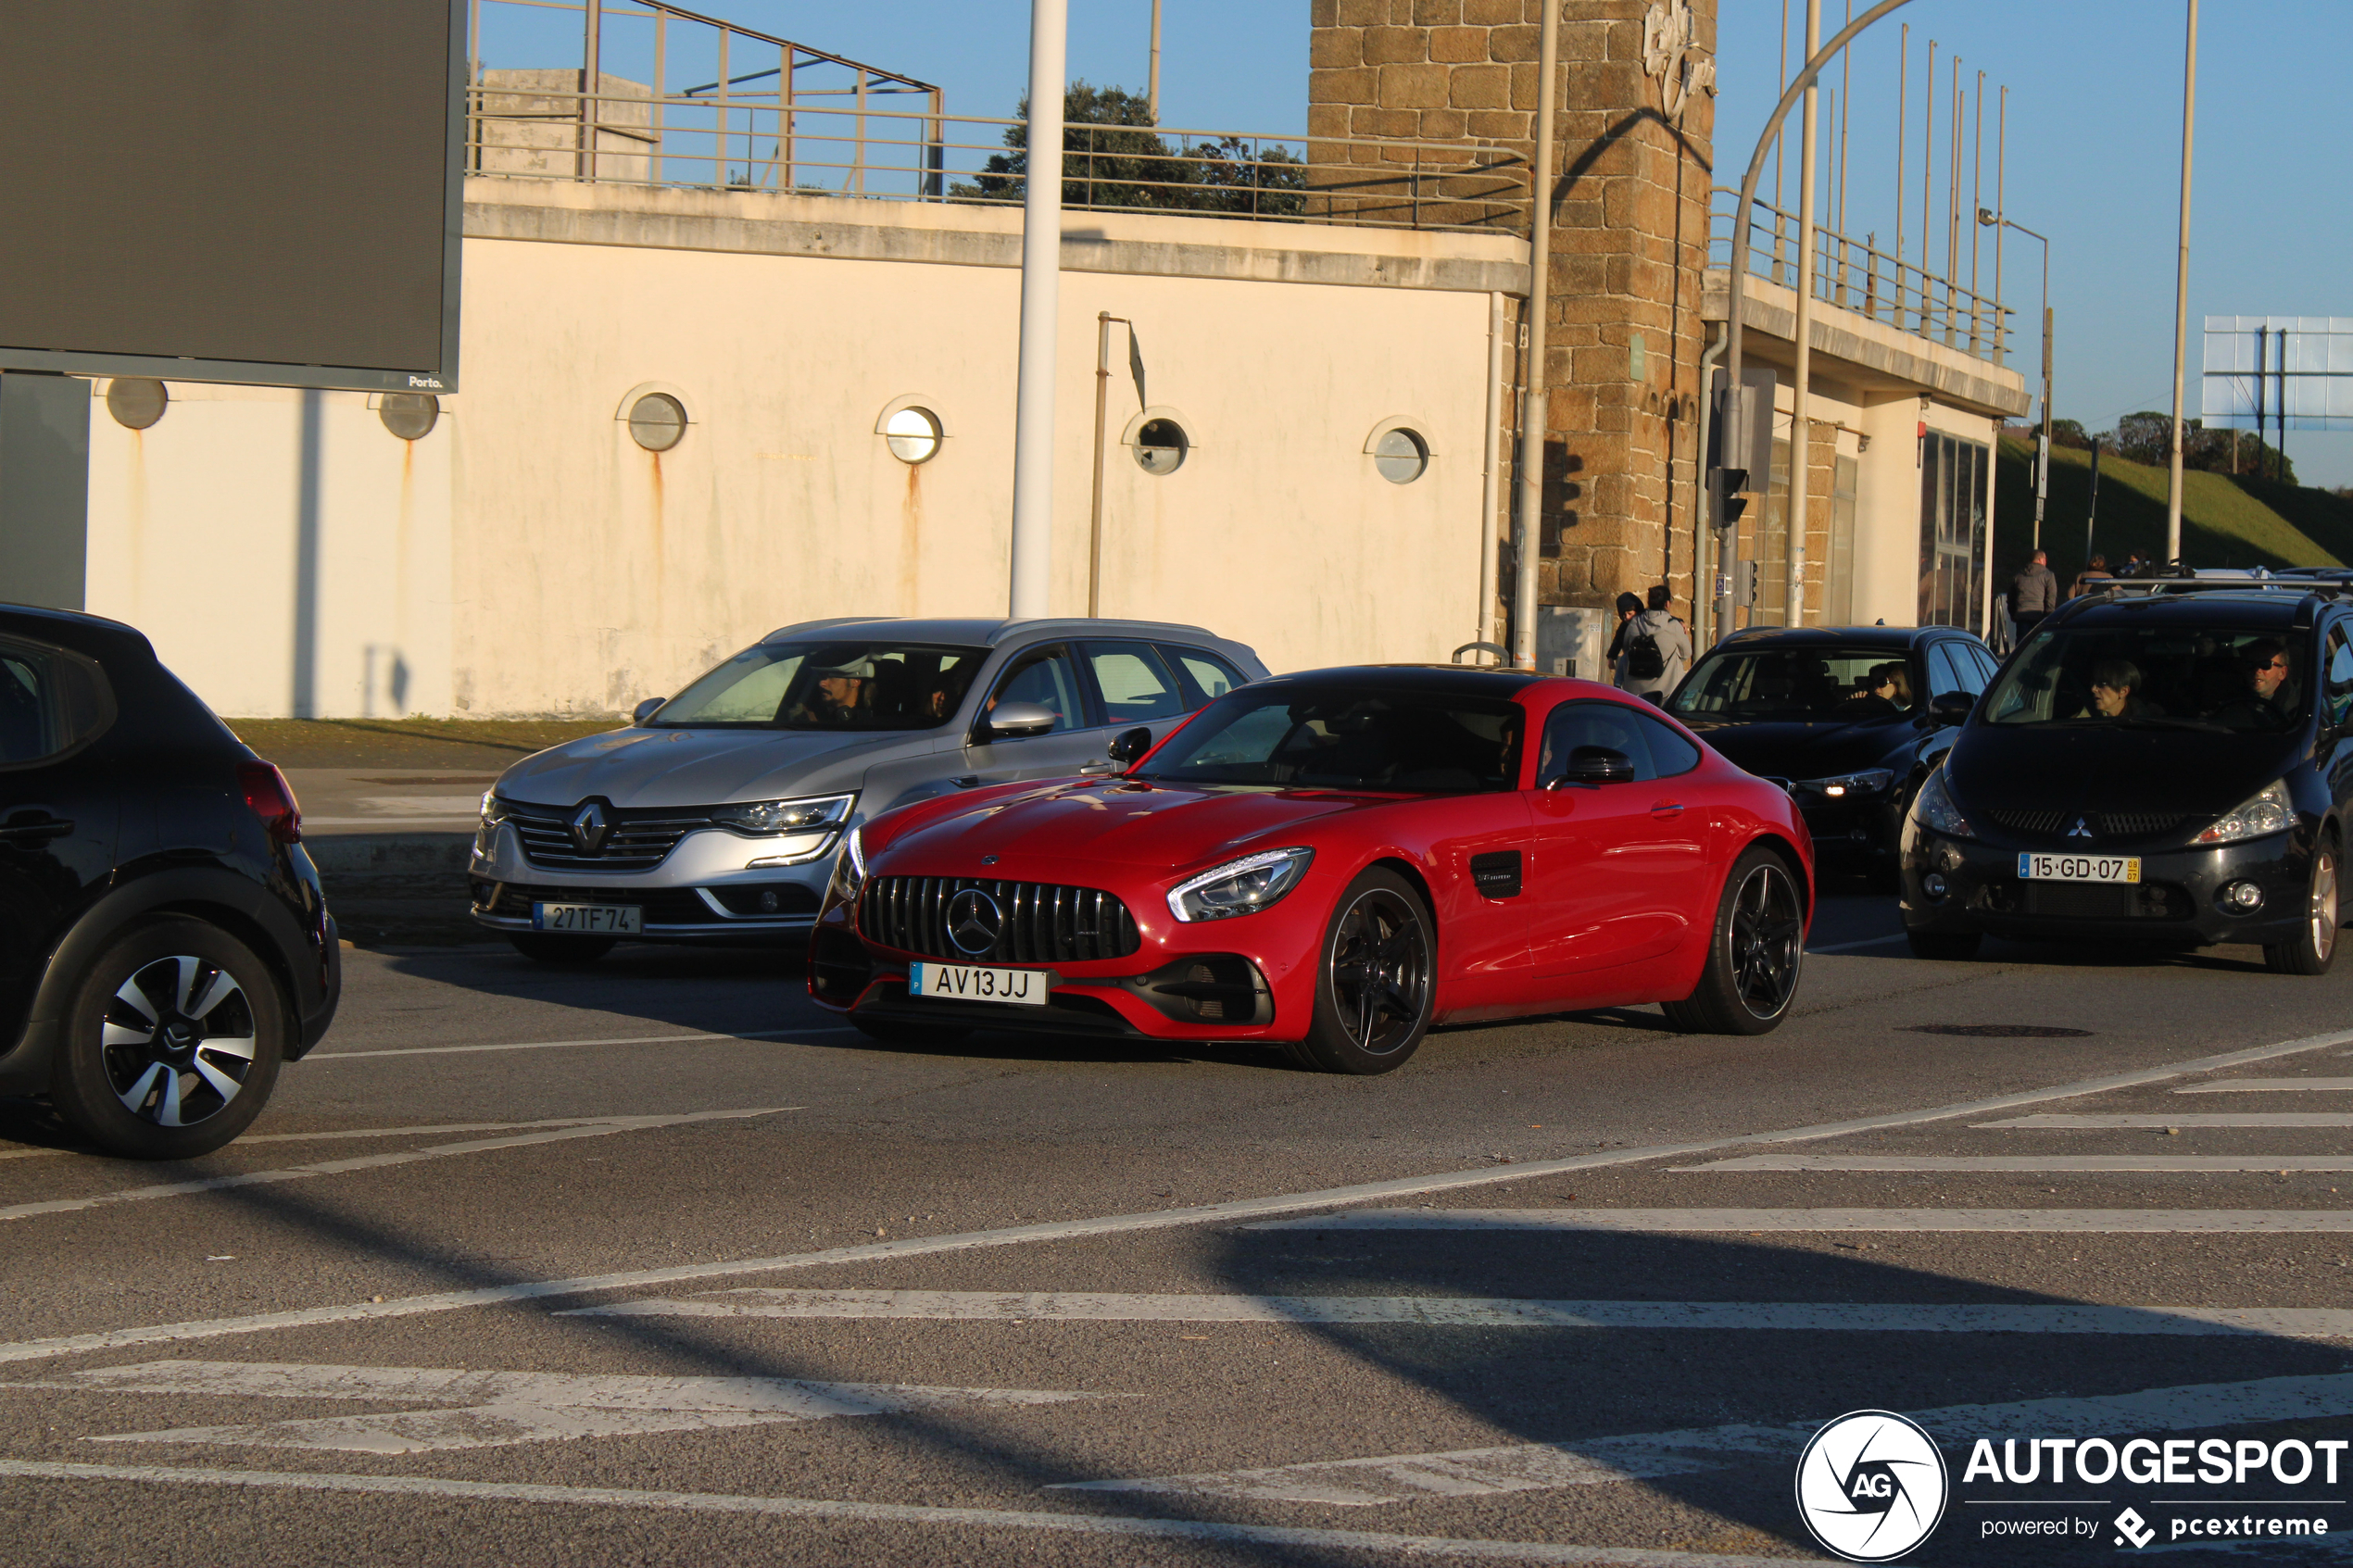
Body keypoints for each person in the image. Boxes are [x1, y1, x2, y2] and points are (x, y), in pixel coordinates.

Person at [1615, 584, 1692, 702]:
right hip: (1666, 691)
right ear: (1667, 604)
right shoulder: (1674, 626)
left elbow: (1626, 648)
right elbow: (1687, 653)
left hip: (1635, 691)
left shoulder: (1634, 623)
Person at [2213, 639, 2296, 728]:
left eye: (2265, 664)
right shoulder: (2231, 697)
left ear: (2282, 673)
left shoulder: (2298, 708)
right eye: (2251, 664)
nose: (2257, 671)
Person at [2087, 658, 2159, 720]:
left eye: (2102, 684)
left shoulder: (2149, 722)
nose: (2093, 689)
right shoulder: (2082, 720)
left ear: (2123, 691)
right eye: (2093, 683)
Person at [2011, 549, 2058, 635]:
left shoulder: (2019, 575)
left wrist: (2013, 614)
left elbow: (2011, 597)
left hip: (2022, 615)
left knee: (2022, 644)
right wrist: (2049, 615)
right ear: (2041, 560)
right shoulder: (2048, 575)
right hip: (2040, 616)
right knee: (2039, 644)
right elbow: (2051, 596)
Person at [1604, 592, 1643, 677]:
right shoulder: (1625, 625)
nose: (1627, 617)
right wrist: (1611, 656)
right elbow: (1618, 640)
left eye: (1630, 614)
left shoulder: (1645, 619)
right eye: (1624, 615)